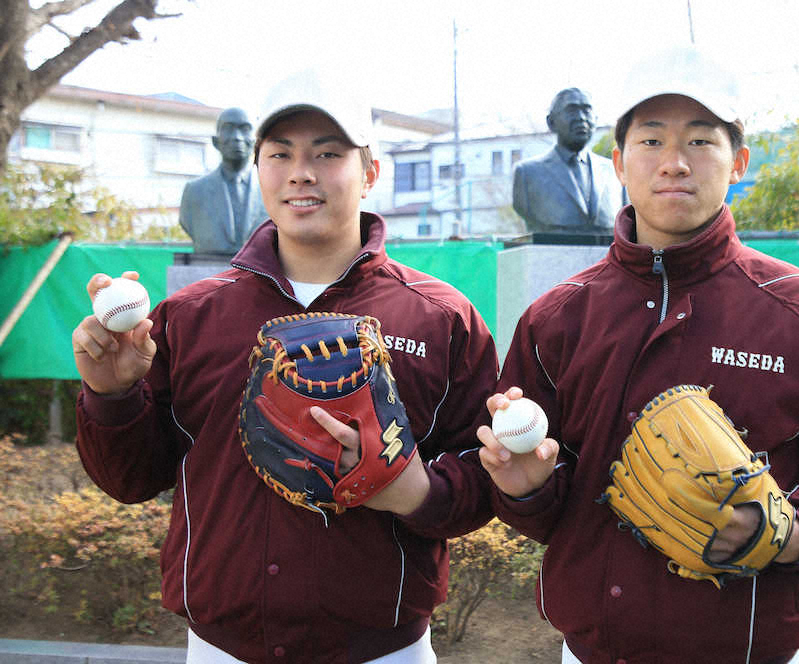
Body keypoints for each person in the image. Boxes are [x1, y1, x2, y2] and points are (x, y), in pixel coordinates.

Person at [477, 49, 799, 664]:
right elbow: (543, 506)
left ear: (738, 161)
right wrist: (526, 490)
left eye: (701, 141)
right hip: (594, 651)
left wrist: (793, 534)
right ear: (620, 164)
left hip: (749, 650)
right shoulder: (558, 317)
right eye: (651, 140)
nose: (675, 163)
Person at [72, 72, 499, 663]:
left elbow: (483, 480)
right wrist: (111, 394)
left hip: (384, 651)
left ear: (370, 172)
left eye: (328, 153)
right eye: (280, 154)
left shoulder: (440, 317)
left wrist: (411, 489)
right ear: (259, 171)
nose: (302, 172)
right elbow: (131, 480)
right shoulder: (190, 316)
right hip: (222, 648)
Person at [512, 88, 625, 234]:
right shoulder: (527, 173)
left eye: (587, 110)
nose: (581, 118)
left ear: (595, 120)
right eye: (572, 110)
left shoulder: (616, 172)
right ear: (551, 122)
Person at [178, 107, 269, 255]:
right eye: (228, 129)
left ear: (257, 141)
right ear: (215, 141)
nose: (237, 137)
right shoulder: (194, 191)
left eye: (245, 129)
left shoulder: (273, 190)